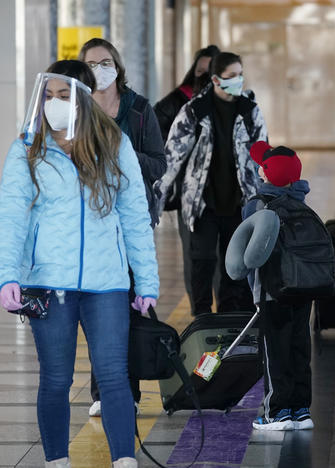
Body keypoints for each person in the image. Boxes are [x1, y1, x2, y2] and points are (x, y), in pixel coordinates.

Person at [0, 60, 159, 468]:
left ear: (84, 99)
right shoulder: (27, 146)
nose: (53, 103)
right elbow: (12, 215)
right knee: (56, 380)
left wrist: (146, 282)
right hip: (48, 281)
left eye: (64, 95)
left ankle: (124, 460)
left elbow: (135, 217)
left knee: (113, 377)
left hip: (106, 282)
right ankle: (57, 461)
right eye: (48, 95)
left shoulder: (114, 142)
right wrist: (7, 276)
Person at [77, 38, 166, 417]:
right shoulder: (74, 111)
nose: (100, 69)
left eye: (105, 62)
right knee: (100, 307)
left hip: (131, 222)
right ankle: (104, 391)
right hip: (91, 224)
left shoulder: (141, 110)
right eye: (92, 64)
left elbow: (159, 164)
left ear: (117, 65)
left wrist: (122, 154)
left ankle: (126, 390)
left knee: (129, 307)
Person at [155, 52, 267, 315]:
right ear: (216, 79)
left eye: (240, 75)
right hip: (202, 202)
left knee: (234, 262)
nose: (237, 81)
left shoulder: (250, 111)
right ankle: (201, 315)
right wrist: (156, 200)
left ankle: (230, 315)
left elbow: (262, 153)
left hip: (240, 200)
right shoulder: (194, 111)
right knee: (202, 261)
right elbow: (172, 157)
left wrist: (266, 195)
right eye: (231, 77)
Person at [242, 141, 315, 430]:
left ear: (266, 173)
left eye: (263, 166)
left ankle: (276, 411)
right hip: (303, 288)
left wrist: (254, 292)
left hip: (272, 292)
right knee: (299, 348)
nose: (259, 168)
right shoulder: (302, 202)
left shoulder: (256, 205)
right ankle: (301, 410)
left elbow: (247, 254)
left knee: (275, 350)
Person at [153, 44, 220, 314]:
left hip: (225, 196)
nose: (203, 77)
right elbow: (158, 141)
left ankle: (227, 312)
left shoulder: (234, 104)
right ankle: (200, 314)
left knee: (225, 257)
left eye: (210, 72)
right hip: (189, 195)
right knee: (197, 256)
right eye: (200, 71)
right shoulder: (177, 102)